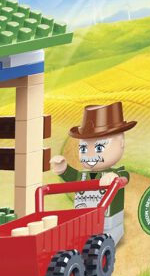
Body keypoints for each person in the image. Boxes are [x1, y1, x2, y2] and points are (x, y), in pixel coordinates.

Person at [50, 102, 136, 245]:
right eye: (83, 148)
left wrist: (115, 178)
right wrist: (63, 169)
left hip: (108, 222)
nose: (89, 155)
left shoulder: (117, 172)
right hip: (82, 221)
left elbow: (124, 177)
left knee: (101, 241)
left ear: (121, 142)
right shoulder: (83, 175)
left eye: (99, 148)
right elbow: (73, 179)